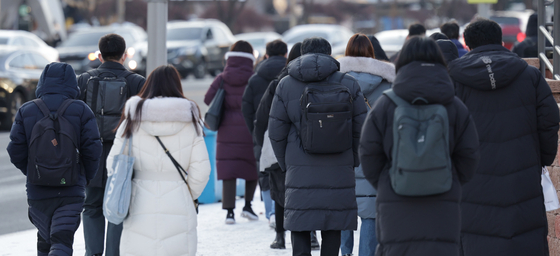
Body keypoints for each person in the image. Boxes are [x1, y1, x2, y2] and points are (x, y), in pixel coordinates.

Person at [359, 36, 480, 256]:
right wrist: (448, 177)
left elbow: (368, 153)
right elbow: (469, 155)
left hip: (395, 200)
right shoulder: (455, 106)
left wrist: (389, 180)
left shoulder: (385, 105)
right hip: (443, 201)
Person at [448, 19, 560, 256]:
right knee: (524, 238)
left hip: (471, 181)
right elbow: (549, 119)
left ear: (467, 46)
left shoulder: (453, 79)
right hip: (522, 176)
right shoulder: (529, 76)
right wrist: (542, 158)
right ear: (502, 43)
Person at [268, 37, 367, 256]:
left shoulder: (286, 84)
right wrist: (352, 158)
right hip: (339, 167)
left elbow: (275, 132)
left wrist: (287, 164)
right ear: (330, 54)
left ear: (302, 54)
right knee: (333, 223)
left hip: (299, 167)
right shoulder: (348, 82)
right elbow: (363, 127)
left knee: (300, 222)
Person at [107, 65, 210, 256]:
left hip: (138, 200)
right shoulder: (190, 122)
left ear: (149, 85)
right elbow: (202, 170)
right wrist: (187, 192)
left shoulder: (131, 121)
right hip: (178, 199)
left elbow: (112, 164)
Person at [7, 62, 102, 256]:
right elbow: (93, 150)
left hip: (38, 191)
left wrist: (34, 170)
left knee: (45, 241)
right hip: (71, 189)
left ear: (42, 82)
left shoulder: (26, 110)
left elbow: (15, 150)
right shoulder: (81, 110)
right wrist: (85, 177)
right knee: (61, 241)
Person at [77, 33, 146, 256]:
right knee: (118, 206)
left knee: (91, 206)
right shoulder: (137, 82)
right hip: (124, 154)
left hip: (91, 154)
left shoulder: (84, 80)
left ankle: (93, 253)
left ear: (99, 56)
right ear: (124, 56)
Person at [337, 34, 395, 256]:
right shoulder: (388, 83)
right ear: (371, 52)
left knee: (344, 208)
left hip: (341, 155)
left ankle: (345, 252)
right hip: (374, 157)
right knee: (370, 211)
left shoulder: (334, 81)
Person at [204, 40, 259, 224]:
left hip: (226, 129)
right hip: (248, 128)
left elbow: (207, 99)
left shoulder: (222, 78)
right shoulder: (254, 78)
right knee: (251, 167)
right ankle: (248, 206)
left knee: (229, 169)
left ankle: (229, 212)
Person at [242, 39, 288, 228]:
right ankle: (286, 211)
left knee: (265, 173)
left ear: (266, 55)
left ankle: (270, 213)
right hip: (287, 130)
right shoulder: (290, 74)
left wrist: (255, 131)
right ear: (285, 54)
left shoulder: (255, 77)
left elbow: (246, 107)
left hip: (262, 129)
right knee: (285, 171)